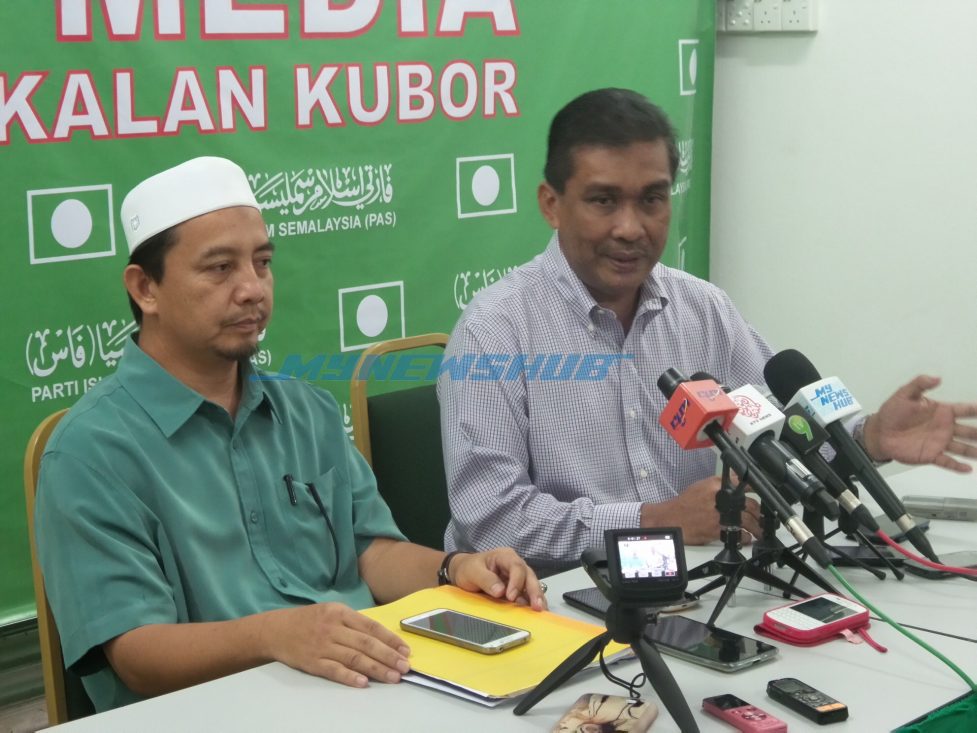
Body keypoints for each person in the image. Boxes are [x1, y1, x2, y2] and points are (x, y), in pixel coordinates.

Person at [34, 156, 545, 713]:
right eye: (220, 268)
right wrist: (275, 635)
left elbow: (370, 552)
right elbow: (136, 651)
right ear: (145, 288)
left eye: (262, 263)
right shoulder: (90, 452)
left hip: (362, 697)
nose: (252, 289)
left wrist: (454, 569)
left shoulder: (307, 410)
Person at [438, 88, 977, 575]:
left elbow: (782, 433)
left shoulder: (701, 308)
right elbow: (492, 520)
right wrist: (655, 520)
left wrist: (868, 439)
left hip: (689, 584)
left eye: (652, 199)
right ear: (552, 205)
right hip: (545, 603)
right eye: (604, 201)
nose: (630, 227)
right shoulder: (495, 332)